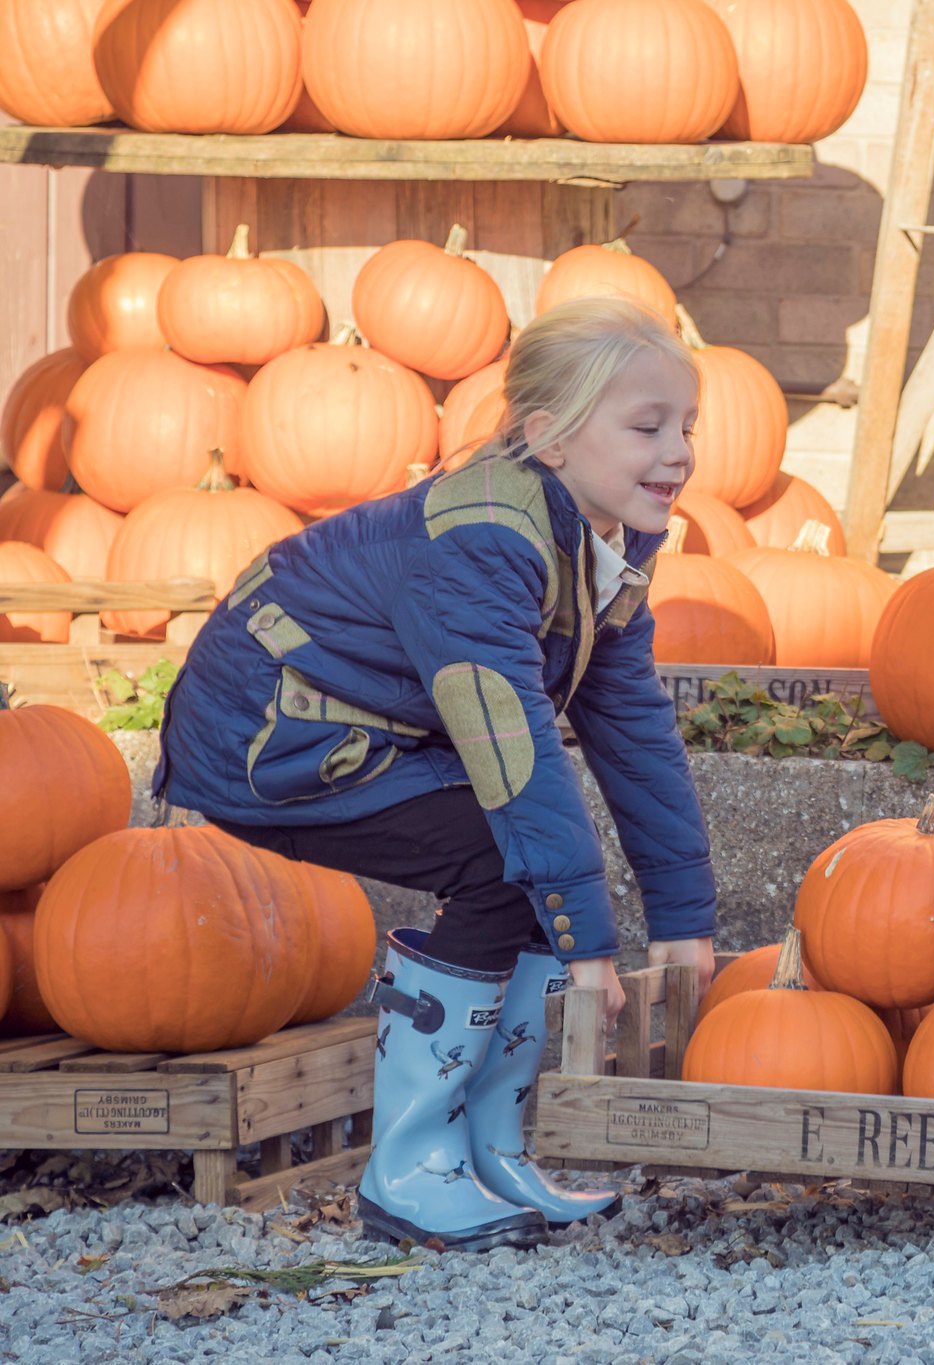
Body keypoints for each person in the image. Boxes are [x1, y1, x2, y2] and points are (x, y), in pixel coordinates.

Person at [154, 297, 719, 1252]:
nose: (679, 453)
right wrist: (586, 940)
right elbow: (510, 738)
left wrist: (684, 913)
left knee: (527, 862)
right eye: (647, 427)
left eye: (687, 427)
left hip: (380, 728)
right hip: (272, 732)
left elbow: (631, 727)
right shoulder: (483, 542)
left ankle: (489, 1151)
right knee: (502, 865)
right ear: (549, 437)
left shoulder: (607, 544)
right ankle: (409, 1168)